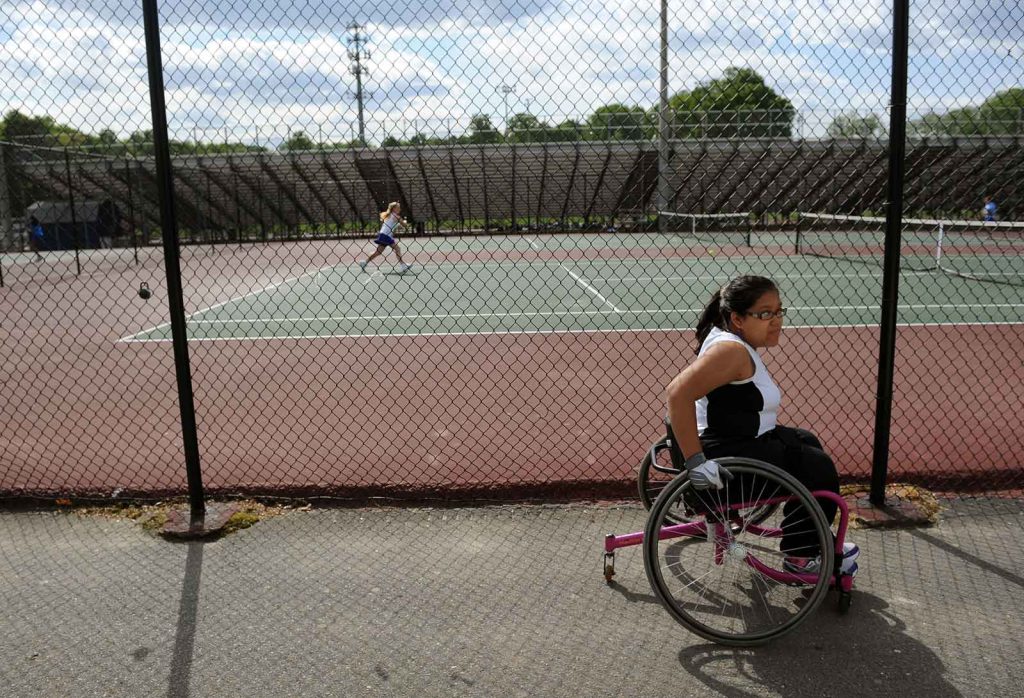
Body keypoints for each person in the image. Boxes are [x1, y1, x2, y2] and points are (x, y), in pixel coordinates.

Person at [665, 274, 858, 573]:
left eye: (779, 311)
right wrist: (696, 462)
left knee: (806, 441)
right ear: (738, 319)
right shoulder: (731, 351)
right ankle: (802, 557)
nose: (777, 320)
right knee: (819, 471)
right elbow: (677, 394)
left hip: (736, 439)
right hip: (727, 460)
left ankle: (810, 538)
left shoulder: (729, 339)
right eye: (765, 313)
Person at [358, 201, 412, 274]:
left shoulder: (390, 216)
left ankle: (364, 262)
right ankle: (403, 265)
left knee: (378, 252)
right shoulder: (396, 216)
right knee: (397, 248)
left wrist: (401, 225)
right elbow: (404, 224)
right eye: (398, 208)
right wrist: (405, 223)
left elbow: (395, 227)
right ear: (393, 209)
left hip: (384, 235)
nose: (400, 209)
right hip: (386, 236)